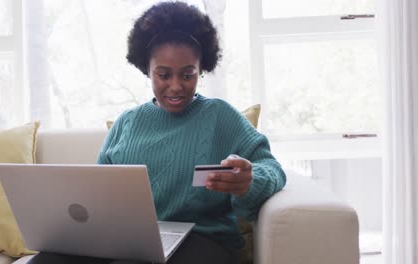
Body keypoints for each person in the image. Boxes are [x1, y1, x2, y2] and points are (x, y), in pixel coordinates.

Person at [27, 1, 286, 264]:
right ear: (147, 70)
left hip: (203, 241)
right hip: (129, 242)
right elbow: (97, 195)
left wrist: (249, 181)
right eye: (163, 75)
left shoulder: (220, 116)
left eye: (187, 75)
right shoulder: (127, 122)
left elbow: (273, 168)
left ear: (200, 69)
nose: (175, 87)